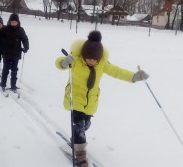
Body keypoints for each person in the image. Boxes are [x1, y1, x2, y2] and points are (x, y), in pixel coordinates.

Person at [55, 31, 149, 167]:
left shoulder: (102, 64)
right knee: (79, 126)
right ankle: (81, 158)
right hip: (75, 99)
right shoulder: (75, 60)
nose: (91, 61)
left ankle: (76, 139)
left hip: (91, 102)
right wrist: (64, 62)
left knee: (85, 125)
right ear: (83, 55)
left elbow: (117, 71)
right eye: (89, 58)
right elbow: (59, 64)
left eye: (95, 59)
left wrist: (134, 76)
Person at [0, 13, 29, 92]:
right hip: (7, 53)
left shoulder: (21, 30)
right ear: (9, 22)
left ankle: (13, 85)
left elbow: (25, 39)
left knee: (14, 70)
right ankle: (3, 83)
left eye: (15, 22)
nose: (13, 23)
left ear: (18, 22)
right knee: (6, 69)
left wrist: (26, 47)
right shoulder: (5, 29)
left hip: (16, 53)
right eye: (12, 22)